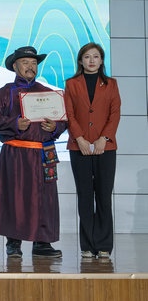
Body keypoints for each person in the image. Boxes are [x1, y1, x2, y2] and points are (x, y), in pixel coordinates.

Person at [0, 46, 67, 258]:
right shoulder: (4, 93)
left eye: (33, 63)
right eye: (25, 63)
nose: (30, 67)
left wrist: (55, 127)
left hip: (44, 153)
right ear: (15, 66)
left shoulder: (48, 92)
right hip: (16, 153)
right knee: (16, 197)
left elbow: (63, 120)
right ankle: (13, 243)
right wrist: (14, 123)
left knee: (45, 198)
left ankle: (42, 243)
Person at [64, 42, 120, 259]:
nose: (91, 60)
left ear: (102, 60)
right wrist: (79, 139)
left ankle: (104, 245)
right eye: (87, 57)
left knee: (104, 197)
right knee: (85, 197)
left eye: (96, 56)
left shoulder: (111, 84)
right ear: (80, 61)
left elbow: (114, 114)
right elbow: (69, 114)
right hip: (79, 147)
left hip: (105, 147)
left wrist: (103, 139)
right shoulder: (71, 84)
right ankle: (87, 245)